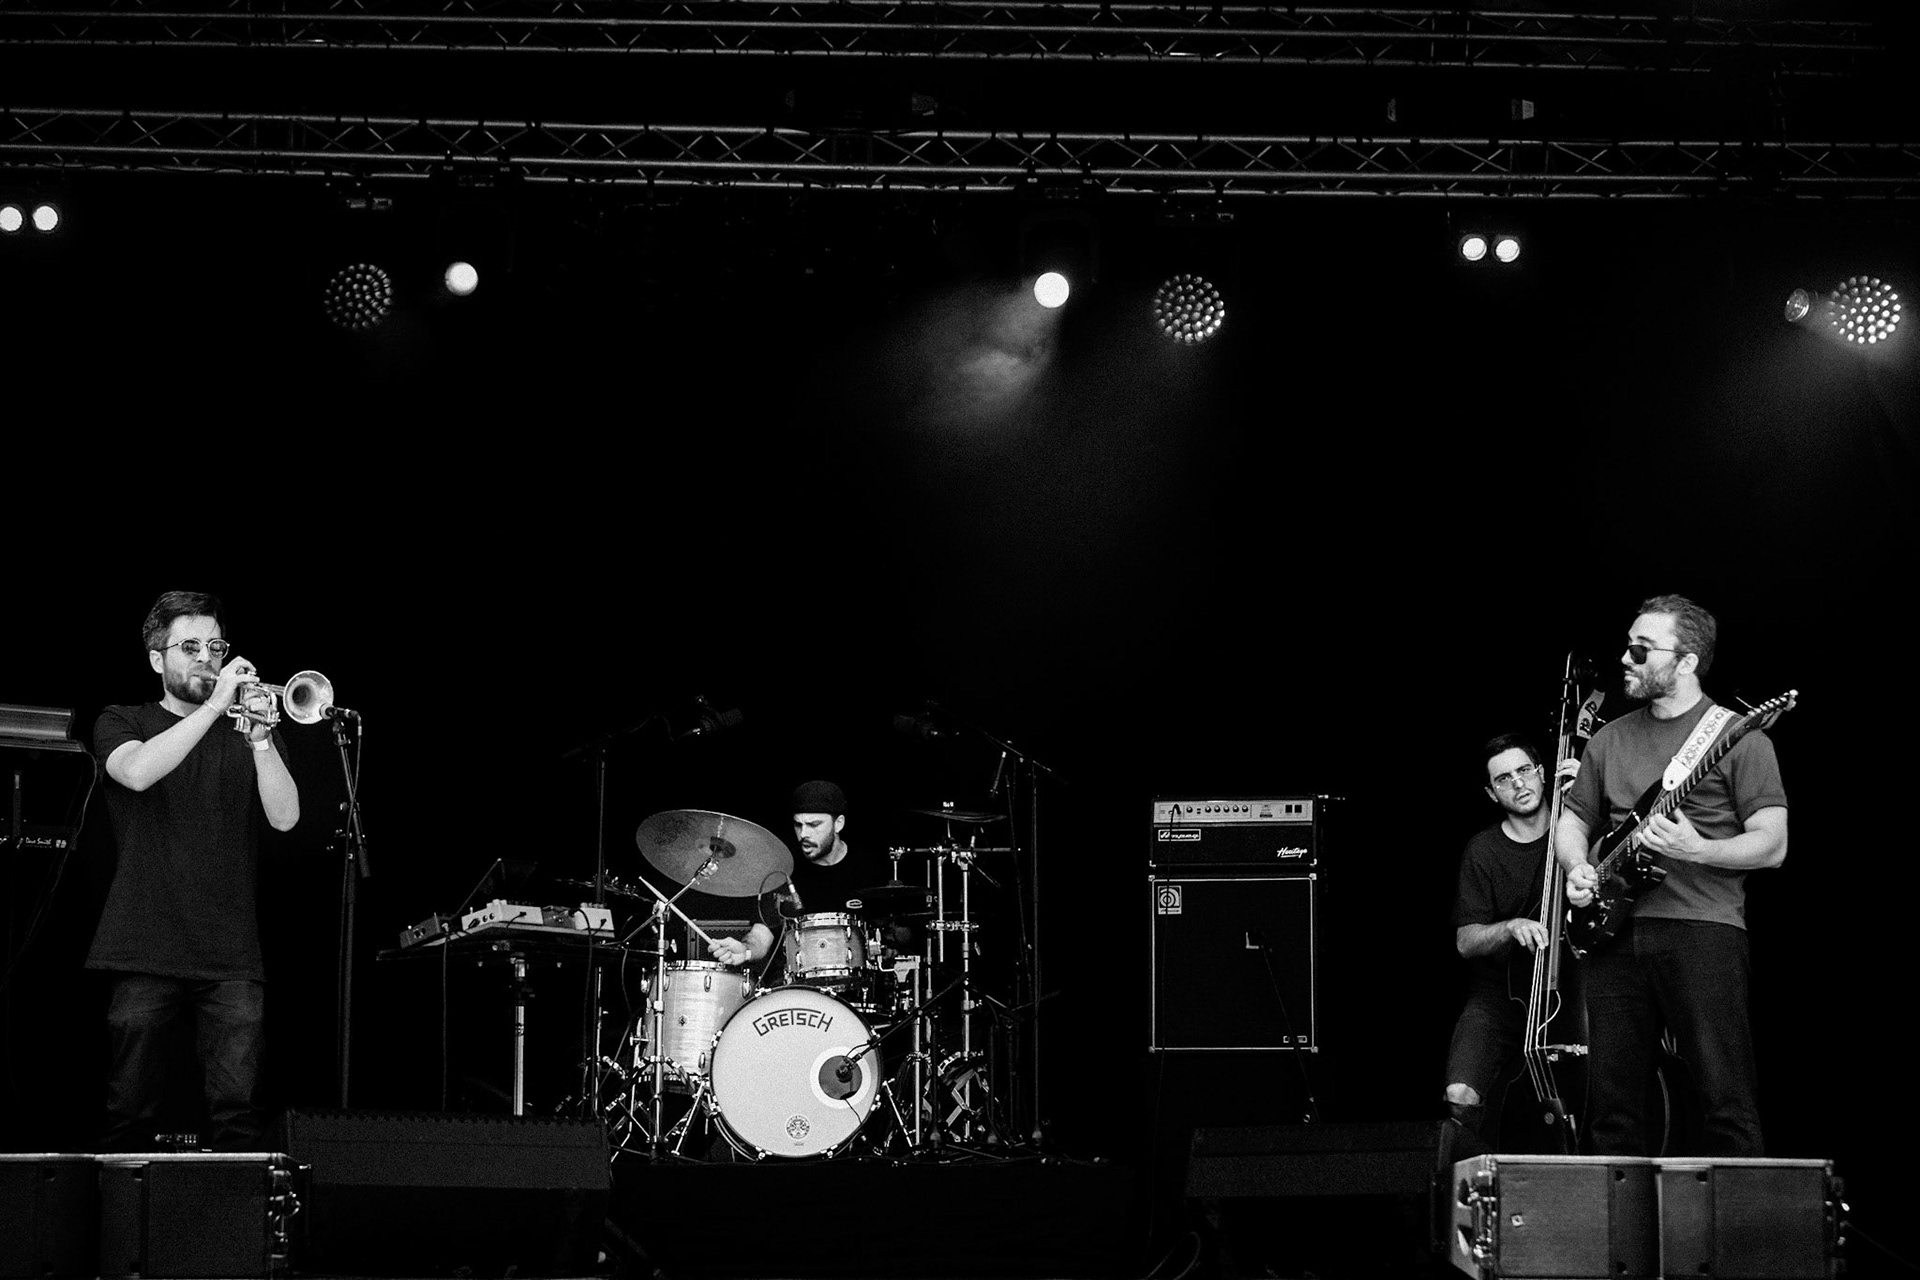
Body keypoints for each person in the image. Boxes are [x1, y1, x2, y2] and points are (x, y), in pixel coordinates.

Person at [1560, 593, 1788, 1157]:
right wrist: (1578, 867)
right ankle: (1620, 1243)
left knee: (1723, 1097)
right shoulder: (1610, 737)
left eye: (1642, 649)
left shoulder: (1741, 737)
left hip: (1701, 931)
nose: (1626, 658)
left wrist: (1698, 847)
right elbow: (1574, 820)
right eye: (1628, 645)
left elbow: (1773, 846)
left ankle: (1739, 1236)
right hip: (1614, 935)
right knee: (1612, 1106)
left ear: (1686, 661)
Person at [88, 590, 300, 1151]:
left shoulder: (241, 730)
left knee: (238, 1116)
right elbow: (135, 772)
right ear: (158, 659)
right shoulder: (122, 719)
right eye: (190, 646)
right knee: (127, 1111)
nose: (206, 657)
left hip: (230, 950)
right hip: (143, 941)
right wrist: (213, 709)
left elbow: (285, 819)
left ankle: (233, 1236)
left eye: (215, 645)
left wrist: (260, 741)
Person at [1443, 734, 1576, 1154]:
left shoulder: (1577, 829)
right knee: (1460, 1094)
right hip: (1498, 994)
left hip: (1571, 988)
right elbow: (1465, 940)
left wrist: (1582, 803)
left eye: (1524, 771)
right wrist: (1509, 927)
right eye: (1504, 779)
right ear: (1491, 793)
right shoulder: (1482, 850)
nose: (1518, 784)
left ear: (1542, 773)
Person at [705, 779, 861, 975]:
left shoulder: (869, 869)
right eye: (798, 825)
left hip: (863, 992)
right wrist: (745, 951)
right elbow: (761, 936)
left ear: (838, 824)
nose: (804, 834)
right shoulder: (783, 870)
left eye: (814, 825)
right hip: (796, 992)